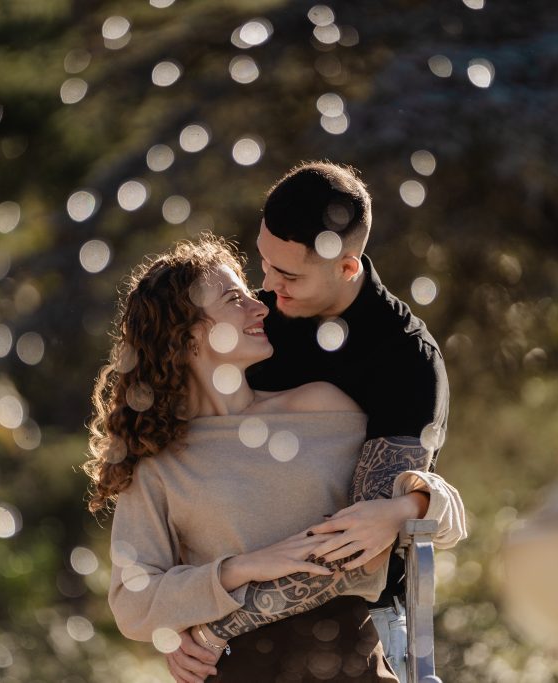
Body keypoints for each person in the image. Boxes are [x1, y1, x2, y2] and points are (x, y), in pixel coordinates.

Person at [88, 237, 460, 682]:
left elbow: (443, 512)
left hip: (348, 660)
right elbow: (133, 602)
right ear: (188, 339)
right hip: (235, 669)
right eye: (234, 300)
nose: (260, 307)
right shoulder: (158, 462)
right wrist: (241, 569)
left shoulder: (322, 406)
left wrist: (408, 506)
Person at [167, 161, 463, 683]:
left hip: (354, 637)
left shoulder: (406, 363)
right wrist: (177, 618)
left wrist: (213, 628)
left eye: (289, 275)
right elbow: (183, 474)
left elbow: (350, 550)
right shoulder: (252, 325)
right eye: (263, 263)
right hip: (230, 642)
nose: (266, 287)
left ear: (347, 268)